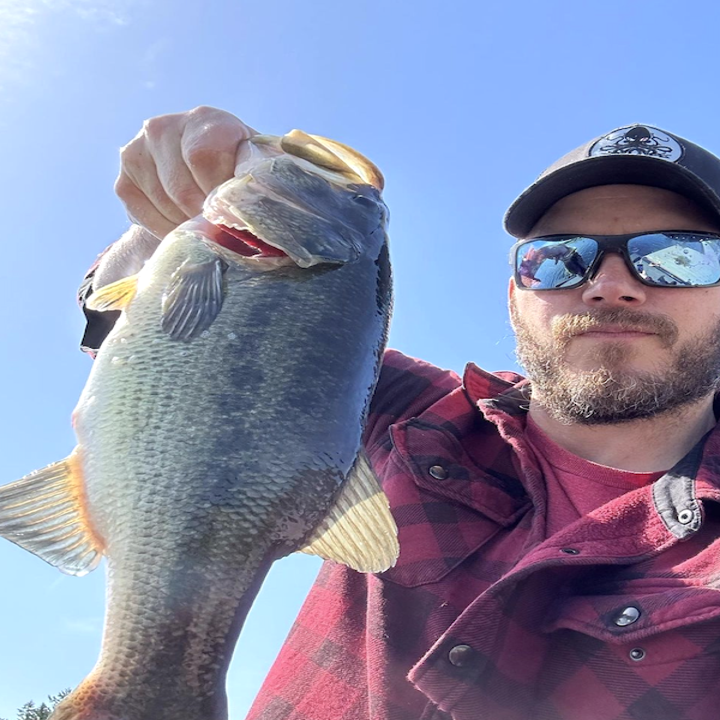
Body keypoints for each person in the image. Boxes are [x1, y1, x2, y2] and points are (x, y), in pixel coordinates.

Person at [81, 110, 720, 720]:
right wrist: (164, 223)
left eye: (680, 256)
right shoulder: (406, 409)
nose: (610, 284)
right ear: (516, 297)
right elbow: (183, 351)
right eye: (559, 258)